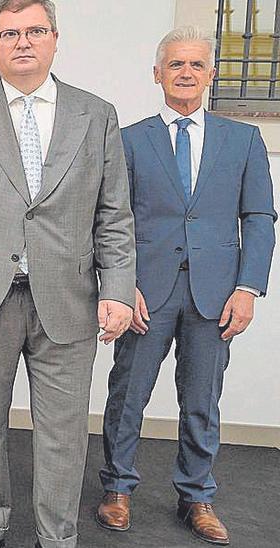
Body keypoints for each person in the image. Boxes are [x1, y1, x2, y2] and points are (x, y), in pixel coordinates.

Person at [0, 1, 135, 547]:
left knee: (62, 435)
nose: (23, 42)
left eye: (35, 30)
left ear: (55, 38)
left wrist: (120, 290)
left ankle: (56, 536)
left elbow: (114, 213)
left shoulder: (96, 113)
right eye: (10, 33)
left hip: (70, 297)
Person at [96, 26, 276, 546]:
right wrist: (120, 284)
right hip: (144, 293)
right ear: (158, 74)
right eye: (176, 64)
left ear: (211, 74)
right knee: (128, 395)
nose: (186, 73)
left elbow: (259, 216)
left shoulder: (242, 140)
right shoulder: (129, 139)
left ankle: (196, 495)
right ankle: (118, 488)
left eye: (196, 65)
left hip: (216, 294)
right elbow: (113, 218)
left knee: (202, 400)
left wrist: (248, 287)